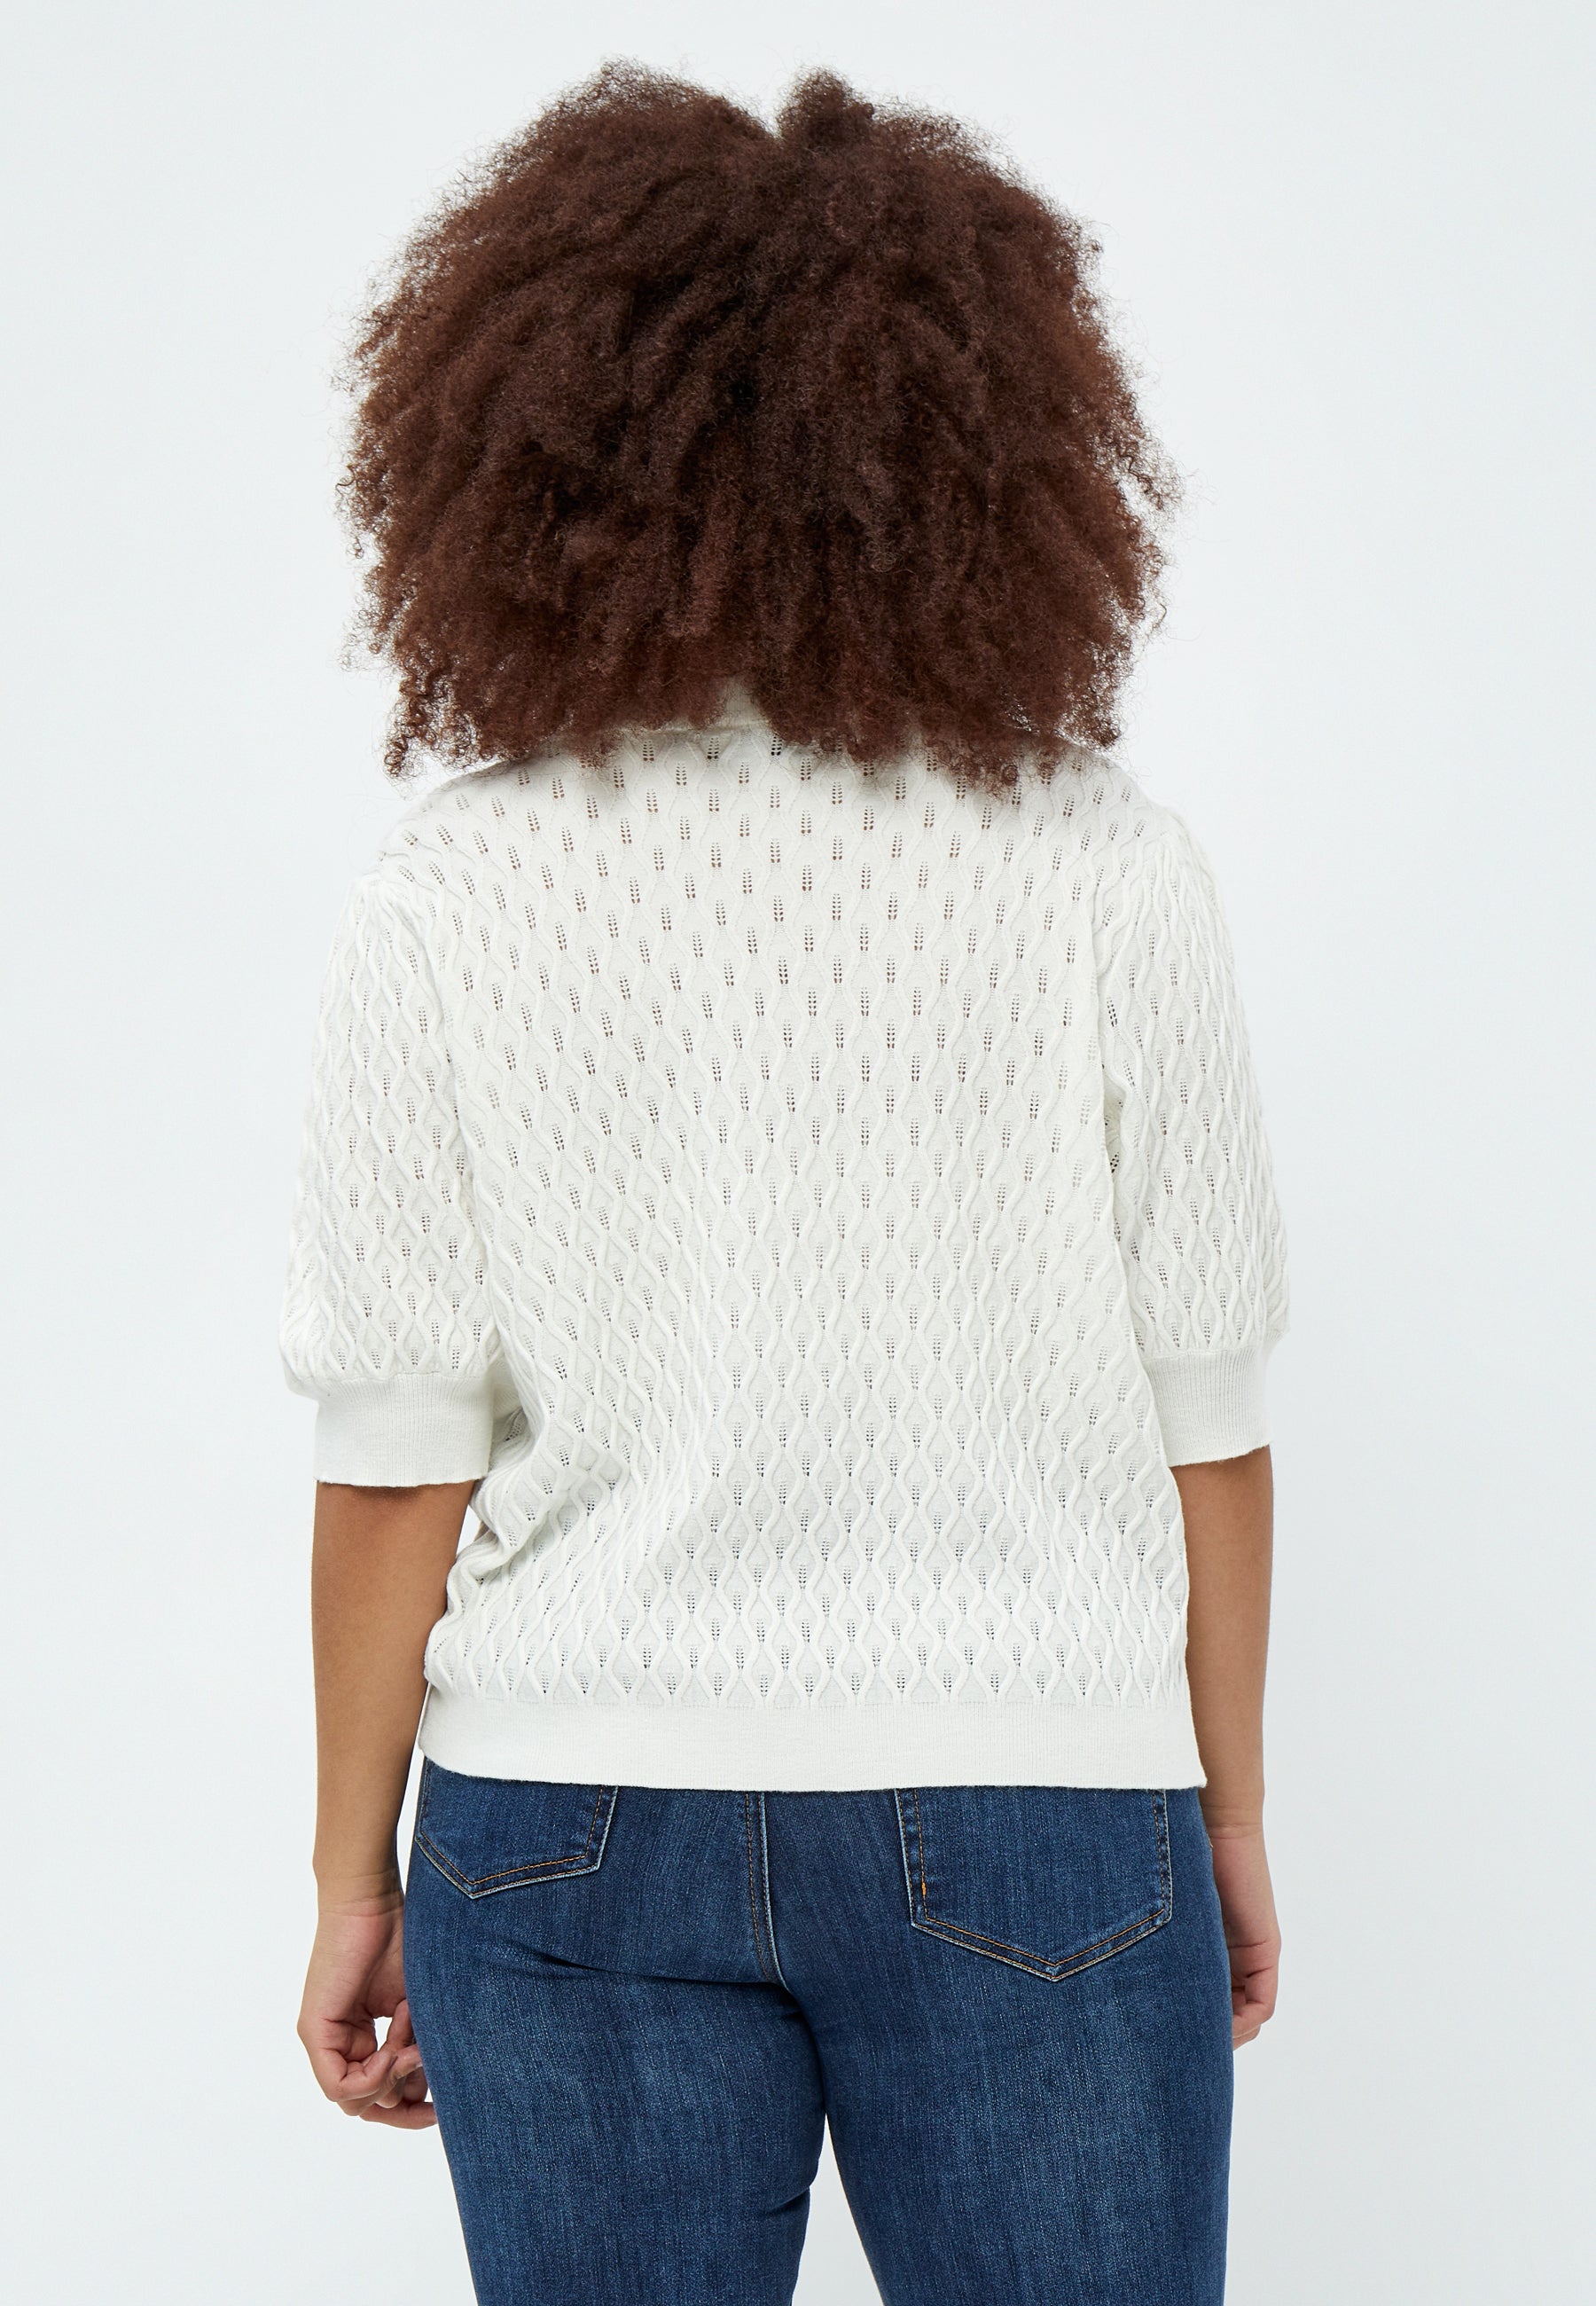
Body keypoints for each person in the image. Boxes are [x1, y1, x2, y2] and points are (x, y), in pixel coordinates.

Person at [281, 63, 1288, 2306]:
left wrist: (353, 1871)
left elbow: (395, 1457)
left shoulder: (451, 890)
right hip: (1050, 1810)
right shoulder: (1109, 869)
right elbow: (1208, 1422)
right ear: (985, 450)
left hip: (558, 1829)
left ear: (530, 450)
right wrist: (1223, 1809)